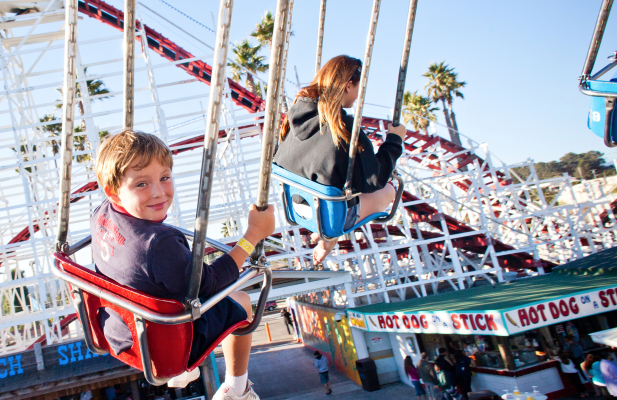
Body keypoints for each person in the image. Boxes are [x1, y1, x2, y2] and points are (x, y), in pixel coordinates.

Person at [91, 130, 276, 400]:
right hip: (164, 345)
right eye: (141, 184)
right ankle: (237, 390)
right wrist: (252, 237)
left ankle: (186, 372)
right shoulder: (159, 243)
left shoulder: (101, 215)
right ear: (115, 193)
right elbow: (211, 283)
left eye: (164, 178)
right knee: (242, 300)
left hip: (120, 334)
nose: (158, 192)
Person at [274, 55, 406, 264]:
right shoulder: (343, 127)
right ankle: (328, 239)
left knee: (343, 183)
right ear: (347, 85)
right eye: (359, 88)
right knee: (389, 189)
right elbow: (375, 179)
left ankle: (323, 233)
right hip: (330, 216)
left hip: (297, 209)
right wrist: (394, 140)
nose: (359, 96)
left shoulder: (293, 119)